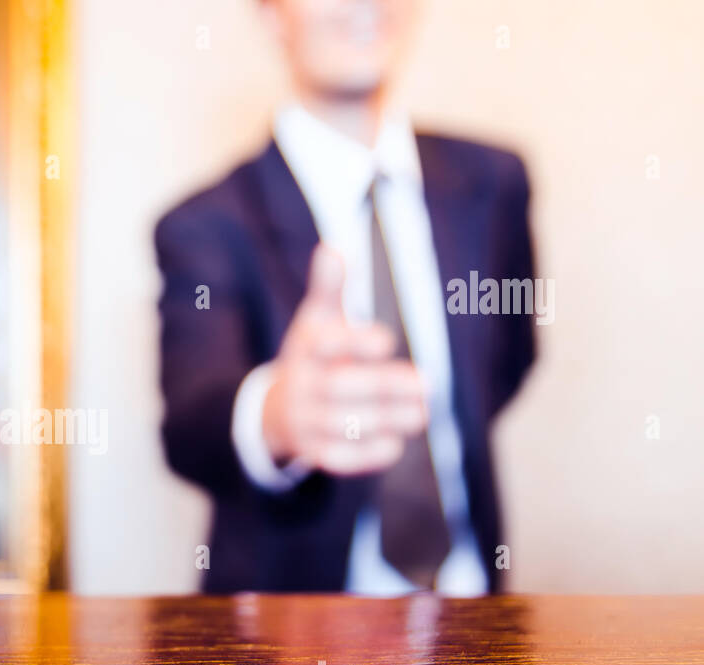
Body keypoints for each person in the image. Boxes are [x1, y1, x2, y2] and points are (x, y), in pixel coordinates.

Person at [156, 0, 536, 594]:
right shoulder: (204, 225)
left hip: (473, 610)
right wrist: (276, 416)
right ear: (271, 12)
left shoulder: (496, 184)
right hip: (290, 637)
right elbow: (189, 426)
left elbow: (511, 360)